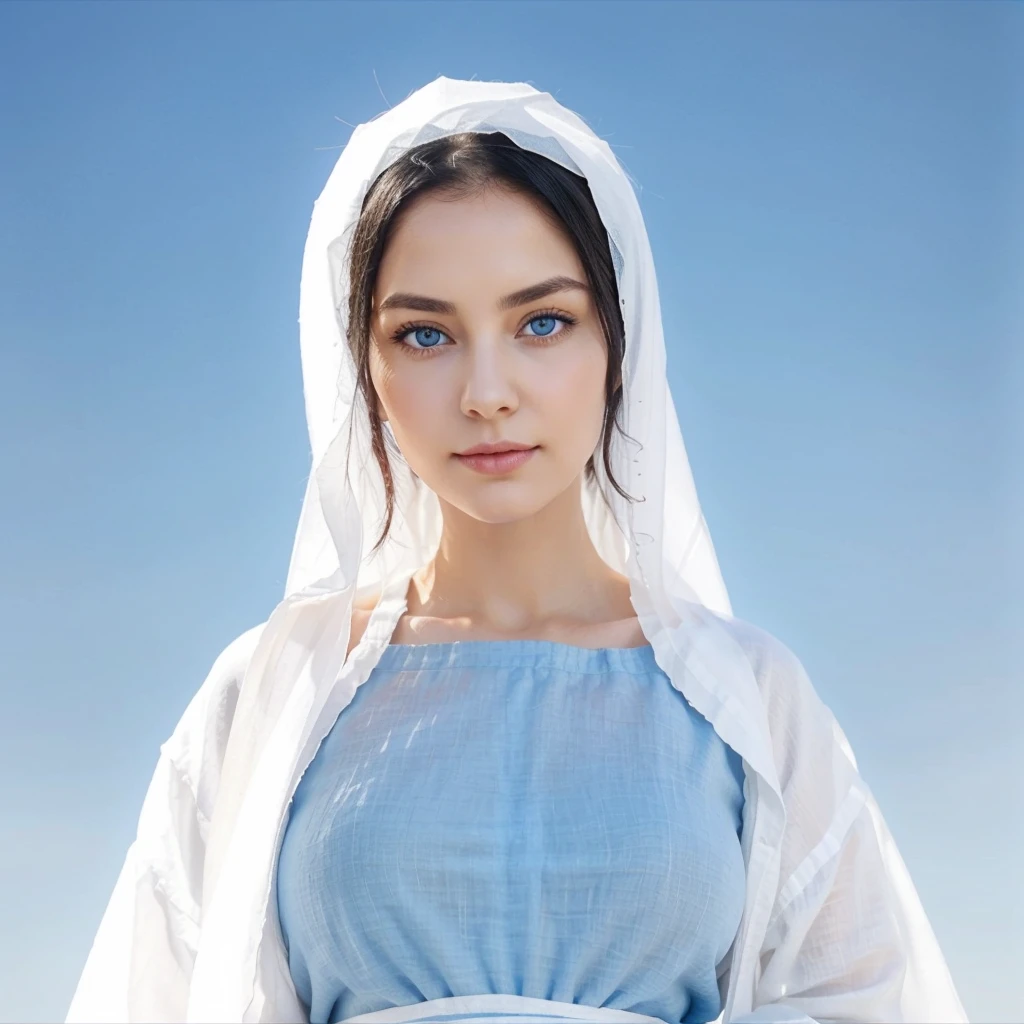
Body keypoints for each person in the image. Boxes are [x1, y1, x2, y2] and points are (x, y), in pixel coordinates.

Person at [65, 76, 967, 1024]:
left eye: (542, 322)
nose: (487, 391)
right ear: (364, 373)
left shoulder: (749, 700)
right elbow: (158, 993)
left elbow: (857, 998)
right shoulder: (273, 694)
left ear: (619, 345)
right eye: (425, 334)